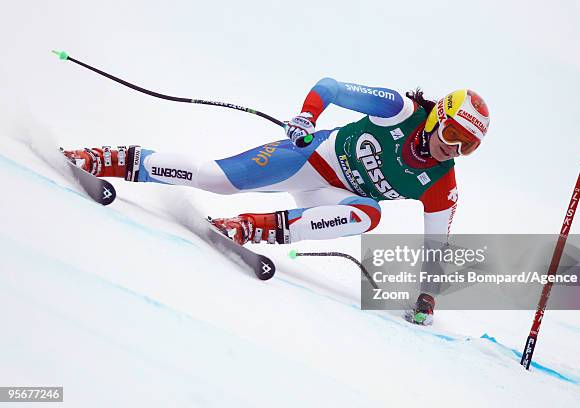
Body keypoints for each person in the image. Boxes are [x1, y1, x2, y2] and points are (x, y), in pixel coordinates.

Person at [62, 77, 490, 325]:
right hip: (307, 158)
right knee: (216, 178)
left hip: (332, 197)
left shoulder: (442, 186)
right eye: (453, 135)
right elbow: (332, 87)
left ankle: (248, 228)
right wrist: (308, 117)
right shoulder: (399, 109)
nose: (452, 150)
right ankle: (103, 159)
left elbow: (436, 247)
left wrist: (426, 297)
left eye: (466, 147)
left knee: (368, 213)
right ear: (437, 118)